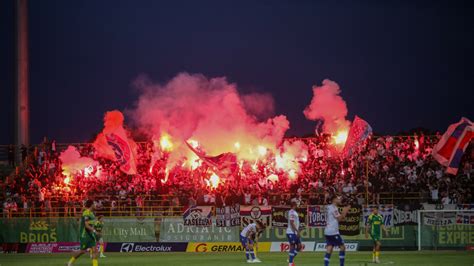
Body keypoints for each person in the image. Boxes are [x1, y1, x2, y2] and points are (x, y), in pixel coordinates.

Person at [67, 199, 99, 266]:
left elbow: (91, 224)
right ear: (92, 205)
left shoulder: (92, 213)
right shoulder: (86, 213)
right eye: (94, 203)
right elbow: (86, 225)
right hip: (85, 235)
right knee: (82, 251)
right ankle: (69, 263)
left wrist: (94, 229)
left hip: (90, 235)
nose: (95, 205)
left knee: (95, 250)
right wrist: (94, 231)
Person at [324, 195, 350, 266]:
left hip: (327, 231)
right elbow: (339, 219)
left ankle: (326, 265)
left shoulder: (329, 207)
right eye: (338, 199)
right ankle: (342, 265)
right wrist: (345, 210)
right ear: (334, 200)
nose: (339, 200)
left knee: (329, 248)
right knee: (342, 247)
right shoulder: (333, 208)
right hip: (333, 231)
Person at [287, 198, 302, 266]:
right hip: (291, 232)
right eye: (297, 203)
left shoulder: (294, 212)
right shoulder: (292, 212)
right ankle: (290, 263)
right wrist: (297, 231)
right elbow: (292, 222)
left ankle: (290, 257)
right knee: (292, 246)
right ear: (294, 204)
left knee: (299, 246)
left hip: (294, 232)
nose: (298, 204)